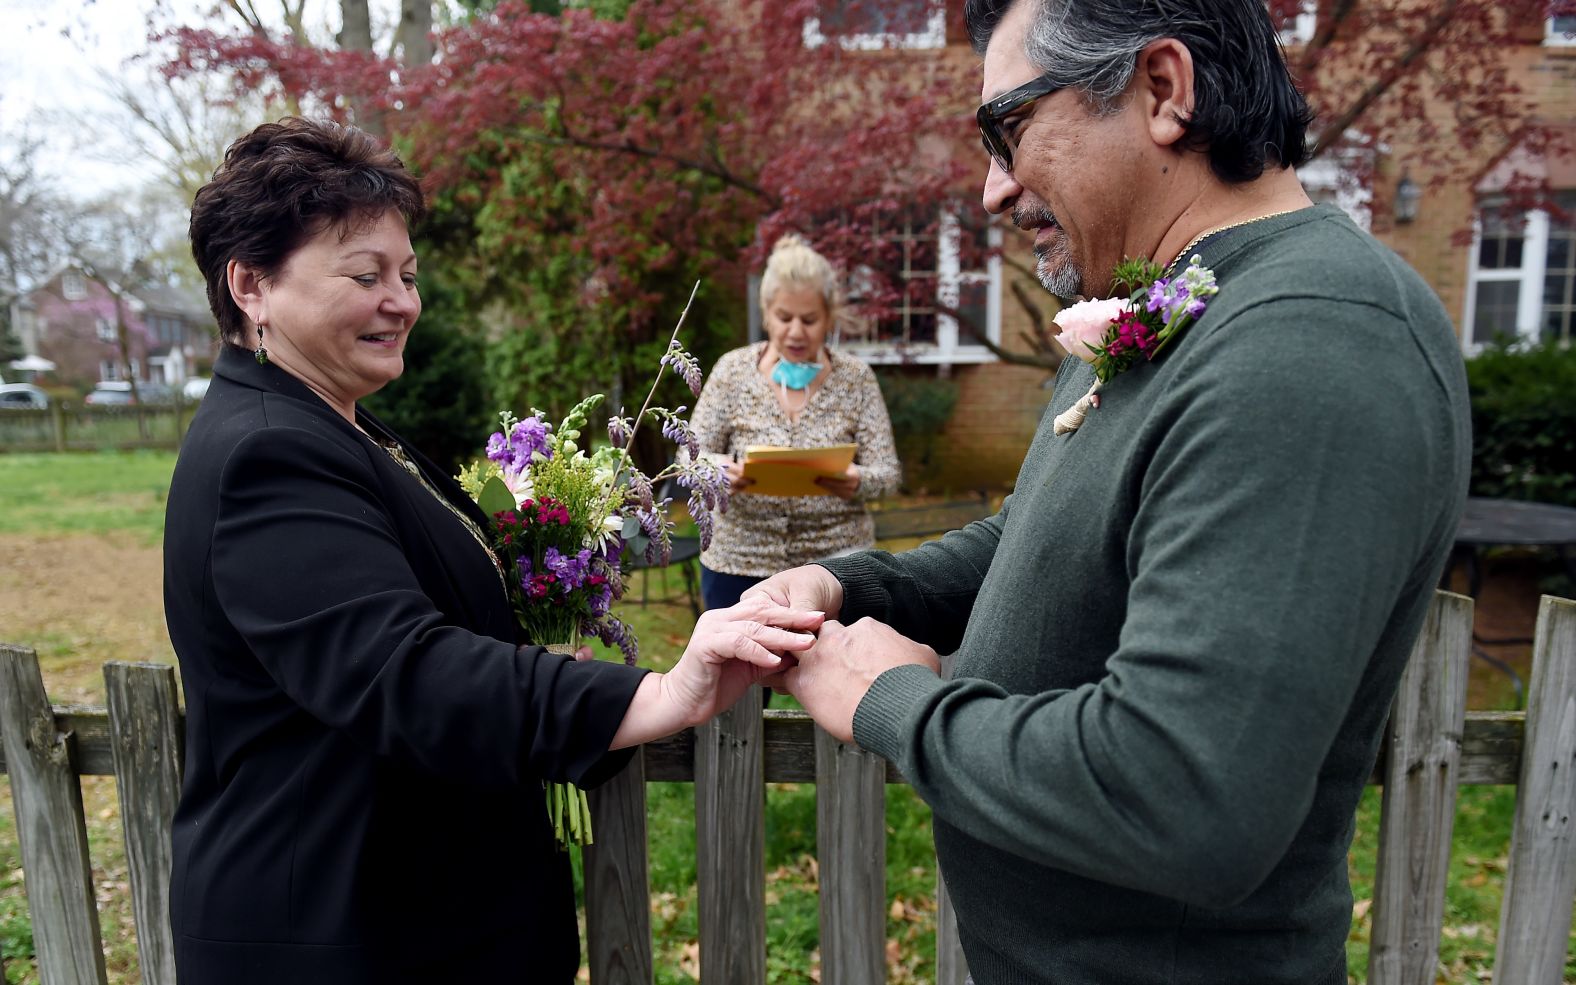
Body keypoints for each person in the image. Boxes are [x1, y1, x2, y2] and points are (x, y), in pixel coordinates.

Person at [755, 1, 1472, 981]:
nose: (994, 190)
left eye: (1006, 131)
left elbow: (1181, 795)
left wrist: (891, 701)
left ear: (1163, 91)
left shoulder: (1310, 346)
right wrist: (856, 586)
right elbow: (1045, 534)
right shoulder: (1170, 300)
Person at [164, 117, 822, 985]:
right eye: (365, 275)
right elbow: (406, 671)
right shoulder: (266, 453)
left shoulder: (346, 427)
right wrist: (659, 691)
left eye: (407, 274)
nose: (403, 300)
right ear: (250, 284)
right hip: (341, 931)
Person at [689, 233, 901, 612]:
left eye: (810, 319)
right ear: (766, 313)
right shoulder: (732, 371)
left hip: (836, 569)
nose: (796, 332)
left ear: (829, 316)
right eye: (784, 318)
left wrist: (856, 482)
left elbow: (888, 475)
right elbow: (689, 459)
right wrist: (716, 470)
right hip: (738, 564)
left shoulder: (856, 378)